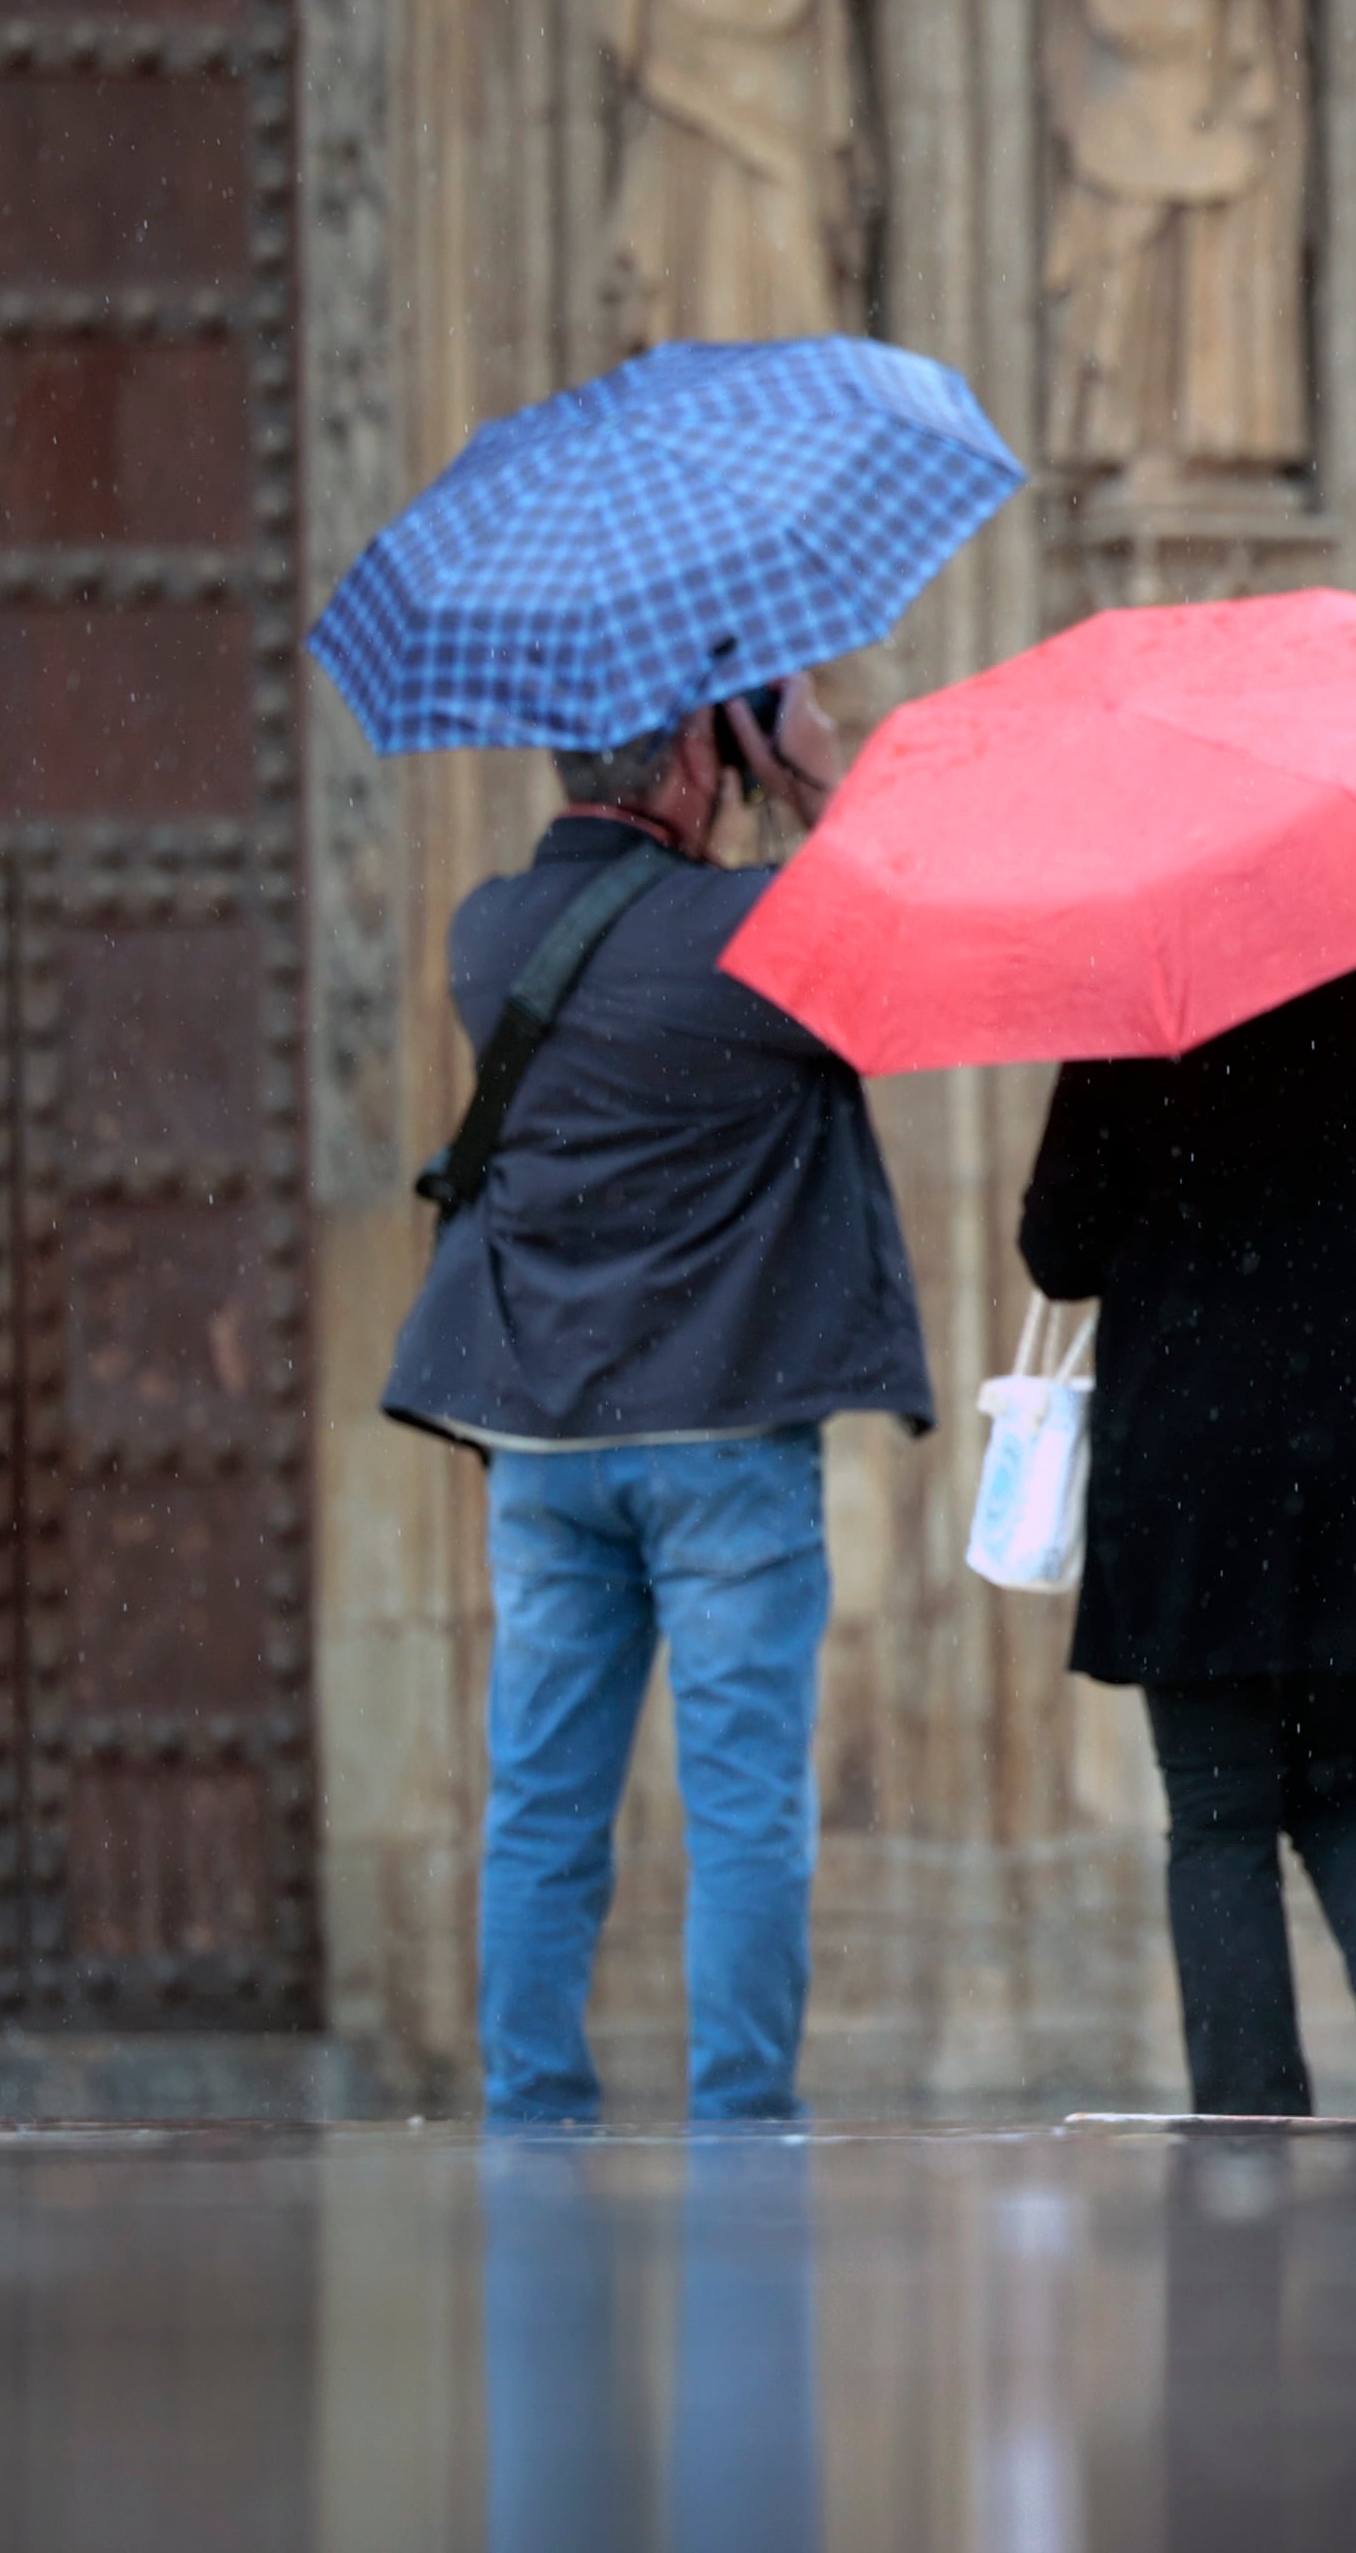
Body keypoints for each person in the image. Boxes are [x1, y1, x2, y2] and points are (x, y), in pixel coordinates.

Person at [382, 674, 930, 2124]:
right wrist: (817, 779)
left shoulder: (487, 935)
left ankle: (532, 2108)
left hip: (547, 1438)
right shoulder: (755, 936)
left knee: (543, 1803)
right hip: (724, 1433)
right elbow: (907, 948)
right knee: (745, 1801)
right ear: (701, 754)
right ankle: (741, 2116)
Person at [1017, 948, 1356, 2118]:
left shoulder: (1139, 1004)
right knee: (1348, 1782)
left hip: (1193, 1461)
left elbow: (1058, 1249)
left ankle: (1248, 2112)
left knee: (1220, 1809)